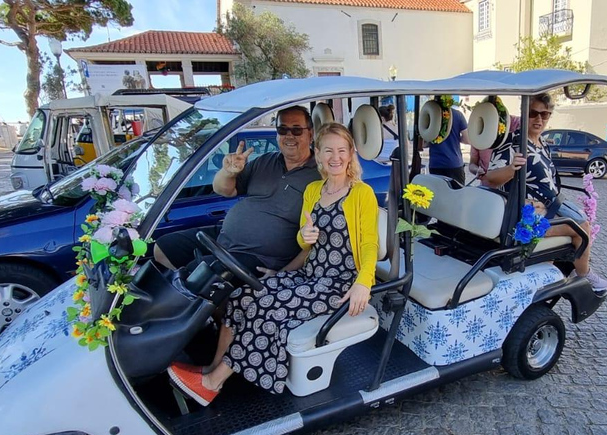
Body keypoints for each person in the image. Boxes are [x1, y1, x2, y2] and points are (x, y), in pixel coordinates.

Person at [166, 123, 379, 405]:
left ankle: (211, 383)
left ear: (351, 154)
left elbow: (369, 244)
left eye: (342, 150)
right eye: (328, 150)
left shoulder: (361, 193)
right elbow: (306, 244)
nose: (335, 157)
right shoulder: (314, 189)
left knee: (265, 308)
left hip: (339, 283)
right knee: (241, 296)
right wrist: (301, 241)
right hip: (308, 274)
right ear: (319, 154)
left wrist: (364, 283)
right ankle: (212, 368)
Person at [154, 106, 321, 276]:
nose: (289, 135)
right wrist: (228, 172)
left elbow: (316, 241)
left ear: (311, 134)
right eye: (283, 129)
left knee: (199, 276)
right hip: (224, 237)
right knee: (163, 248)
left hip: (261, 257)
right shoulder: (265, 161)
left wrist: (283, 275)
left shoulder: (320, 175)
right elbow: (224, 190)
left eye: (297, 130)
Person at [483, 93, 607, 292]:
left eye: (545, 115)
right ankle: (584, 276)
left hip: (548, 208)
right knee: (582, 228)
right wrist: (511, 168)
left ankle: (549, 277)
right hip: (525, 215)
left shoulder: (543, 144)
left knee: (581, 221)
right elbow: (491, 178)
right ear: (524, 114)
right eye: (534, 113)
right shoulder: (513, 143)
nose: (539, 119)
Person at [469, 115, 521, 180]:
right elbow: (472, 164)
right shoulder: (478, 136)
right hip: (487, 184)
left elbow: (528, 123)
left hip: (509, 185)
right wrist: (477, 170)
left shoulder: (512, 122)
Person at [428, 105, 470, 185]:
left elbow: (424, 142)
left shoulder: (429, 114)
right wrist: (456, 139)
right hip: (454, 163)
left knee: (438, 195)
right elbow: (467, 139)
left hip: (435, 163)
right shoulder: (458, 114)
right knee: (457, 195)